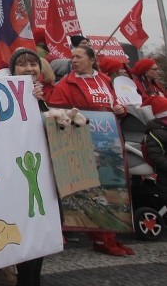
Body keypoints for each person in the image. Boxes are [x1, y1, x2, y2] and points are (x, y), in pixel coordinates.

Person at [47, 46, 134, 257]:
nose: (73, 60)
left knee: (111, 187)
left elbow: (114, 105)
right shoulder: (66, 83)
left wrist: (120, 111)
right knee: (93, 191)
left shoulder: (104, 80)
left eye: (78, 57)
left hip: (108, 139)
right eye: (72, 57)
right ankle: (100, 238)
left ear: (92, 60)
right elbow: (54, 111)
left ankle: (110, 236)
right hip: (82, 141)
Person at [8, 47, 51, 286]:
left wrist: (41, 104)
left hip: (43, 177)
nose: (28, 69)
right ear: (13, 69)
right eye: (22, 64)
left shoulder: (42, 95)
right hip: (19, 177)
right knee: (25, 234)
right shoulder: (2, 95)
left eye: (33, 64)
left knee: (40, 233)